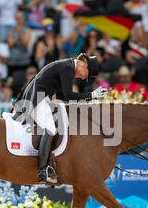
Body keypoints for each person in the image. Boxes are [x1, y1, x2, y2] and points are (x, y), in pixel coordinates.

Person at [12, 53, 106, 184]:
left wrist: (85, 100)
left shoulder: (68, 66)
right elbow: (68, 95)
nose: (85, 78)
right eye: (87, 74)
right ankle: (43, 170)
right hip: (37, 98)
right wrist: (91, 95)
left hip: (42, 96)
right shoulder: (68, 68)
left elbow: (62, 94)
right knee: (50, 128)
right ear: (84, 65)